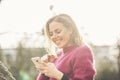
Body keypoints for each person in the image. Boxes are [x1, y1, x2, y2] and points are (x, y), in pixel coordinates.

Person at [35, 13, 96, 80]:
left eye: (58, 32)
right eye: (51, 34)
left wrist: (58, 75)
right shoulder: (58, 55)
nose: (54, 37)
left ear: (70, 29)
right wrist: (44, 69)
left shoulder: (82, 51)